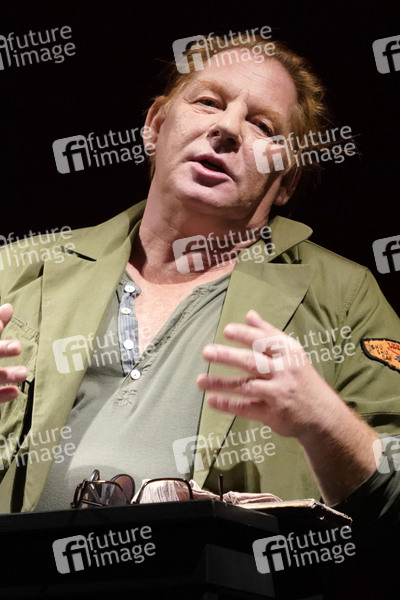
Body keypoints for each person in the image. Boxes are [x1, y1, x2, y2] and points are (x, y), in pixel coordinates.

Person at [0, 35, 399, 549]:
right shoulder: (16, 270)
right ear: (155, 125)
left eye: (263, 126)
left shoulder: (343, 295)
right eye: (209, 101)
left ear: (285, 182)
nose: (227, 128)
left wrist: (323, 419)